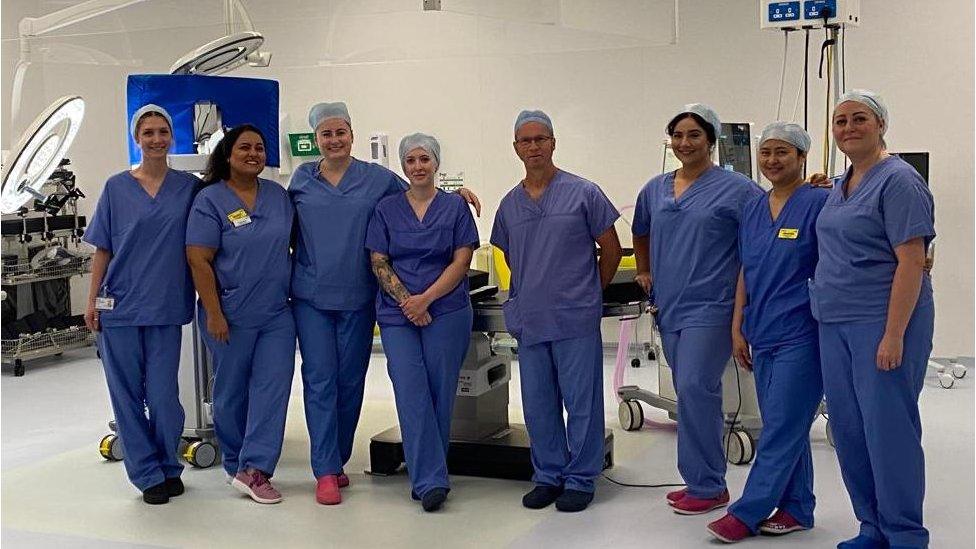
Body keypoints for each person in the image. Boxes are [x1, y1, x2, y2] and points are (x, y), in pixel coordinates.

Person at [288, 102, 481, 505]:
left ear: (352, 134)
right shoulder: (301, 181)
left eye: (341, 132)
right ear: (315, 139)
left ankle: (339, 459)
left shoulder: (378, 181)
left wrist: (455, 193)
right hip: (313, 296)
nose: (335, 139)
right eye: (326, 133)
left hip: (359, 298)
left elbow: (420, 191)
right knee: (320, 380)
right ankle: (325, 469)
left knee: (351, 381)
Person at [810, 90, 935, 549]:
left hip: (882, 322)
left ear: (881, 125)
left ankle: (905, 534)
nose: (848, 128)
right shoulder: (843, 184)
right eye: (840, 121)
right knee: (849, 429)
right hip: (835, 321)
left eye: (859, 119)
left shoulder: (899, 181)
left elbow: (911, 263)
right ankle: (872, 526)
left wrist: (894, 335)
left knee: (889, 431)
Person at [631, 103, 763, 515]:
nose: (685, 143)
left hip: (714, 304)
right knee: (691, 392)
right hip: (669, 305)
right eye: (678, 136)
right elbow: (640, 230)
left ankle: (709, 485)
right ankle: (699, 480)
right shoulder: (655, 188)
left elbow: (771, 223)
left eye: (694, 135)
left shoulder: (737, 189)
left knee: (694, 387)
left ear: (711, 140)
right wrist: (646, 271)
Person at [490, 110, 622, 513]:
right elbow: (511, 254)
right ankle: (548, 475)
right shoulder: (510, 205)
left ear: (553, 143)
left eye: (540, 139)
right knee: (538, 403)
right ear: (516, 148)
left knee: (581, 402)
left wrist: (587, 291)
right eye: (525, 141)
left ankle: (581, 478)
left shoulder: (584, 192)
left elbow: (612, 249)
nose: (534, 147)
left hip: (575, 318)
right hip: (531, 318)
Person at [705, 123, 827, 542]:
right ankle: (797, 508)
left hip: (803, 331)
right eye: (766, 152)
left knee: (781, 426)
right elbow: (746, 270)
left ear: (802, 158)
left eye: (783, 153)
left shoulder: (820, 201)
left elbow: (855, 216)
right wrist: (738, 326)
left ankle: (747, 511)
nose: (773, 160)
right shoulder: (755, 208)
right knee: (783, 422)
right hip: (762, 329)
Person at [83, 104, 198, 504]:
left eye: (162, 131)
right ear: (137, 139)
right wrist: (92, 300)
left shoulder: (188, 188)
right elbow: (103, 249)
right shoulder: (116, 187)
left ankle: (169, 464)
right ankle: (147, 474)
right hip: (119, 306)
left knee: (165, 395)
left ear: (172, 137)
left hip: (166, 306)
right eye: (147, 132)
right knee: (127, 395)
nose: (155, 139)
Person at [366, 133, 479, 512]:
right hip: (397, 315)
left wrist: (426, 299)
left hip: (446, 311)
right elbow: (379, 261)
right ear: (402, 166)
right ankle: (430, 479)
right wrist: (407, 302)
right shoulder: (386, 209)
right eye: (411, 160)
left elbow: (461, 262)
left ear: (436, 163)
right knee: (411, 389)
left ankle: (431, 473)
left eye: (424, 159)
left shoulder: (455, 207)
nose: (418, 166)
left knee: (439, 392)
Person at [185, 125, 296, 504]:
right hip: (229, 312)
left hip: (277, 313)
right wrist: (214, 313)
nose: (254, 153)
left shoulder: (279, 197)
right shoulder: (210, 200)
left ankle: (255, 468)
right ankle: (235, 463)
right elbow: (198, 259)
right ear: (228, 155)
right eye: (245, 147)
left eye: (260, 148)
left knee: (273, 389)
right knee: (231, 392)